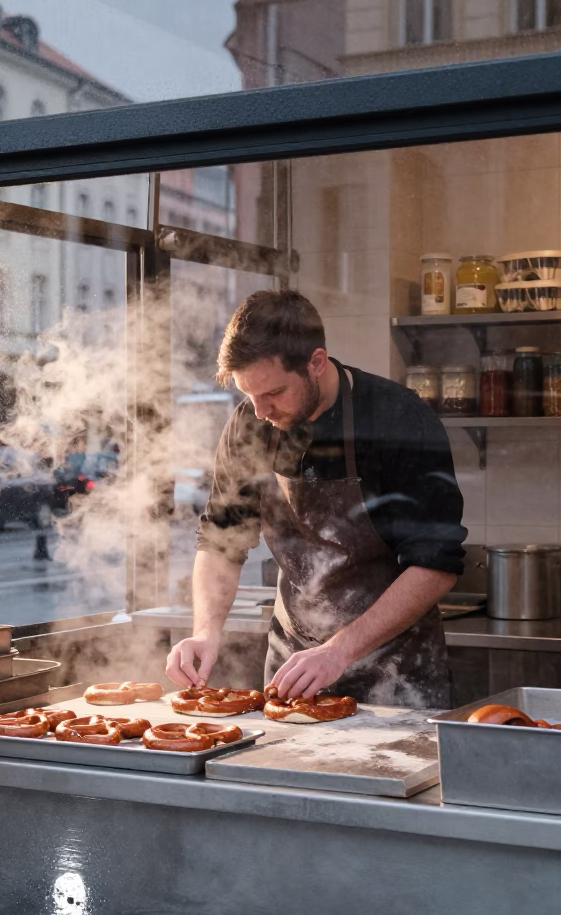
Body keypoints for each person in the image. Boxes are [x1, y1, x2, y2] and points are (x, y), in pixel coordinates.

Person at [166, 290, 467, 711]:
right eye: (247, 394)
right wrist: (205, 631)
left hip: (397, 676)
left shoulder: (399, 420)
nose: (259, 410)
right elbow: (221, 541)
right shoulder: (250, 424)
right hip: (294, 673)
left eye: (273, 393)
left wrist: (339, 651)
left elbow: (435, 568)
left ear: (316, 362)